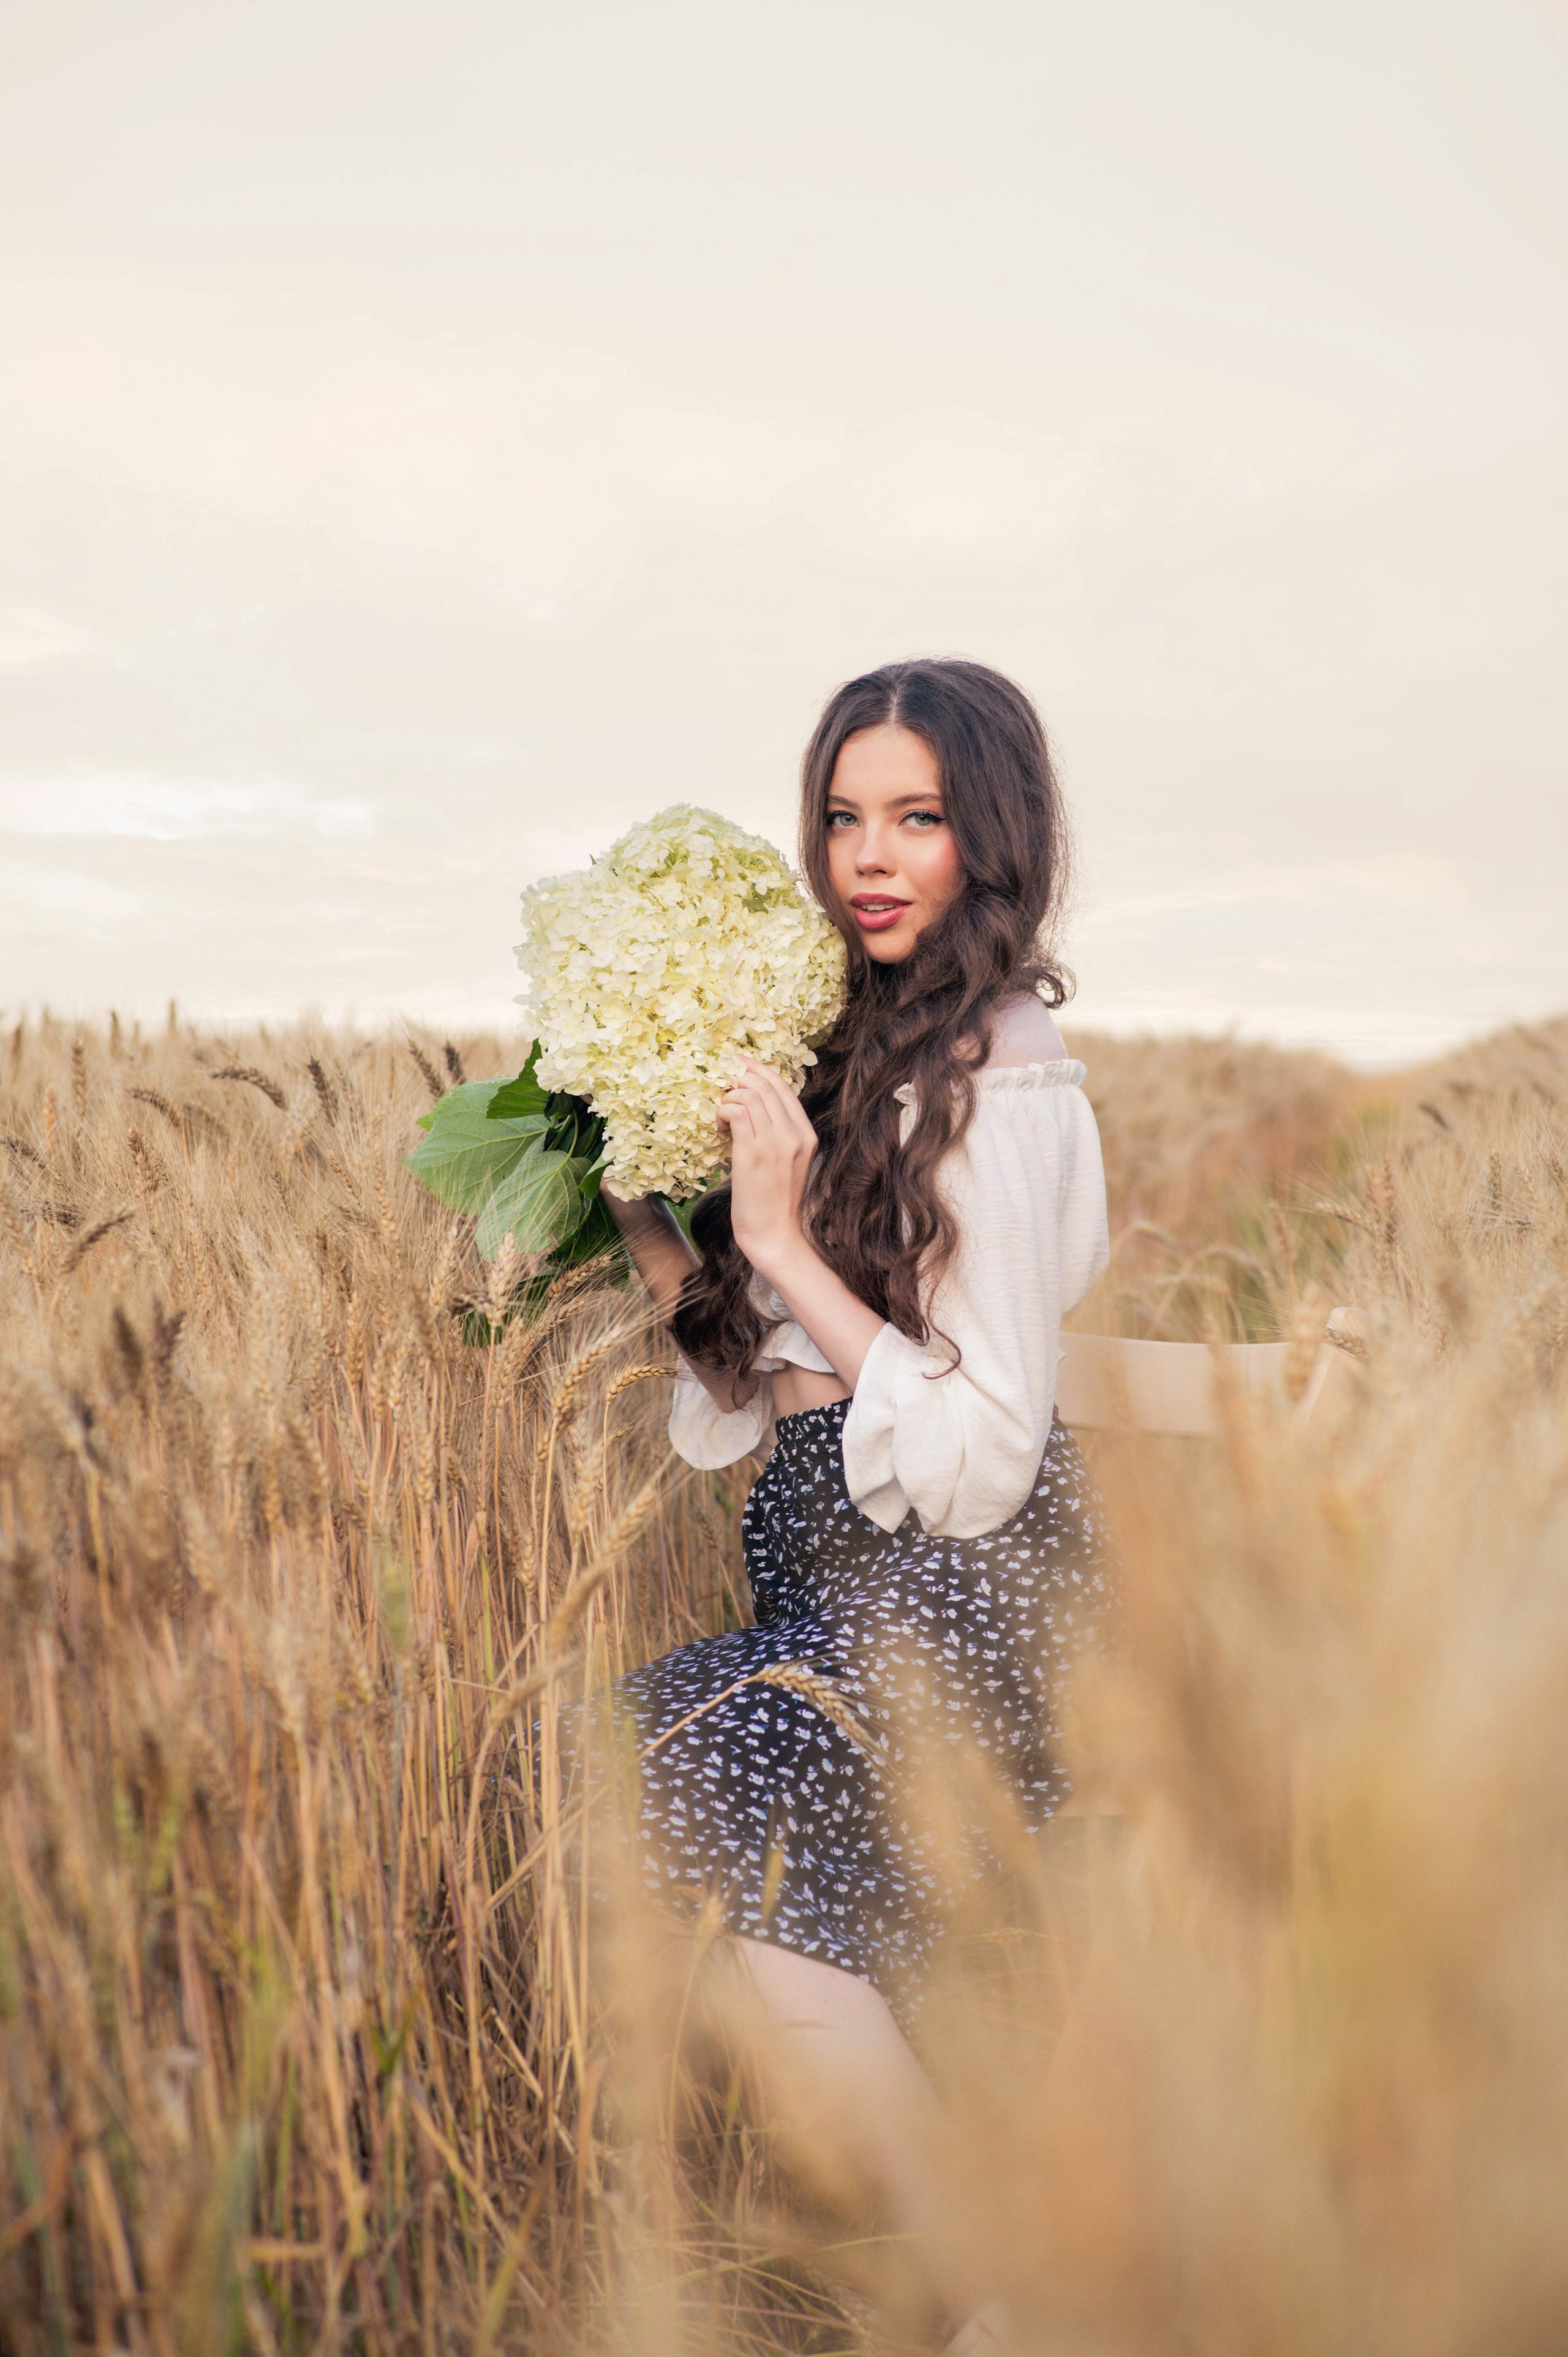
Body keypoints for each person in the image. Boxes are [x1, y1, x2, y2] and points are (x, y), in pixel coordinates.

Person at [599, 657, 1110, 2354]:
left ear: (994, 835)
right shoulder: (857, 1045)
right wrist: (655, 1219)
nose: (870, 858)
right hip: (836, 1585)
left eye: (919, 818)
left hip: (967, 1593)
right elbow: (775, 1380)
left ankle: (998, 2287)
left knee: (703, 1773)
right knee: (651, 1767)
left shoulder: (1004, 1064)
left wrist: (776, 1237)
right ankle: (996, 2279)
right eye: (843, 817)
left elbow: (981, 1445)